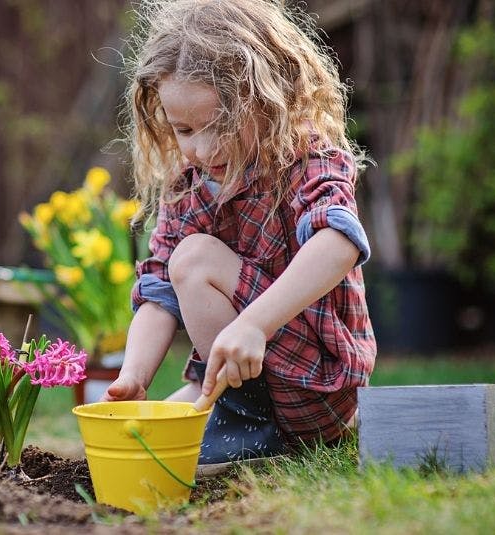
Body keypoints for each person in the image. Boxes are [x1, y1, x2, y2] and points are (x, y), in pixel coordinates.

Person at [102, 0, 377, 471]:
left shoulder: (305, 159)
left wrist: (254, 325)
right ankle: (240, 414)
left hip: (315, 385)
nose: (203, 148)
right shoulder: (187, 185)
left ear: (267, 98)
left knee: (193, 259)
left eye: (219, 125)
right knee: (145, 440)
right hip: (243, 375)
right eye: (184, 129)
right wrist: (133, 375)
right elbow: (157, 291)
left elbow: (340, 240)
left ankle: (251, 426)